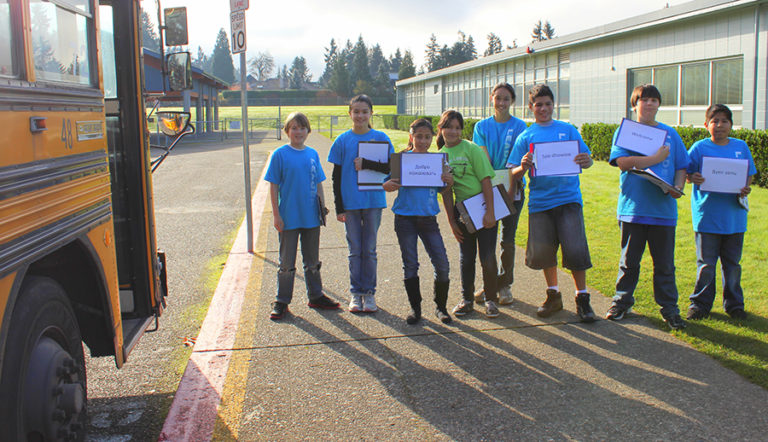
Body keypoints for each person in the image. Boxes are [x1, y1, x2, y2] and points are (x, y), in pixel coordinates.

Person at [506, 84, 597, 323]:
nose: (543, 109)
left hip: (568, 199)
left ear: (553, 105)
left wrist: (585, 160)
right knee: (546, 254)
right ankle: (553, 295)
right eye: (538, 105)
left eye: (547, 104)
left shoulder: (567, 130)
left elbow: (587, 161)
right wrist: (522, 167)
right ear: (531, 107)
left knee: (576, 249)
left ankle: (583, 298)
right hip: (540, 203)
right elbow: (511, 173)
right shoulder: (526, 137)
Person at [606, 84, 690, 330]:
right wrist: (655, 159)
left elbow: (681, 165)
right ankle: (621, 302)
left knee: (664, 264)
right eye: (644, 99)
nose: (650, 104)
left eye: (655, 100)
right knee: (629, 262)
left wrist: (677, 187)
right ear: (635, 105)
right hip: (633, 208)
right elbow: (622, 162)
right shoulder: (626, 132)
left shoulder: (670, 134)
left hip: (663, 211)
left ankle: (669, 309)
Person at [265, 112, 340, 320]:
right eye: (294, 128)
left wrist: (322, 208)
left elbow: (318, 183)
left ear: (308, 130)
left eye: (302, 128)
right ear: (287, 131)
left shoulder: (312, 154)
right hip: (288, 217)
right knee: (286, 263)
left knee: (312, 260)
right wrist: (276, 215)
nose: (298, 132)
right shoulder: (280, 154)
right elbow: (273, 186)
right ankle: (282, 300)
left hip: (310, 217)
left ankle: (315, 295)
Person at [685, 104, 756, 320]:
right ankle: (700, 305)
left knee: (732, 265)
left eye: (724, 121)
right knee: (706, 264)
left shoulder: (741, 147)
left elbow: (749, 174)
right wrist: (693, 177)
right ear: (707, 125)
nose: (719, 125)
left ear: (731, 125)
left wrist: (745, 186)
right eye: (714, 121)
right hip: (707, 216)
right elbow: (686, 173)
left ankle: (734, 305)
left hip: (734, 217)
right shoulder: (699, 148)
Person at [381, 118, 454, 324]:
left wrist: (449, 182)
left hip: (428, 218)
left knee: (442, 264)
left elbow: (442, 188)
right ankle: (416, 308)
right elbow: (385, 181)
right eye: (418, 136)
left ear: (432, 138)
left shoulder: (438, 160)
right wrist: (387, 185)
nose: (422, 141)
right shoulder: (402, 159)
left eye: (427, 137)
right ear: (411, 137)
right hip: (405, 218)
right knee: (410, 264)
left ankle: (441, 307)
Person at [328, 95, 394, 313]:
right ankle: (356, 293)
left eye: (364, 111)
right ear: (350, 114)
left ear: (371, 113)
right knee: (355, 249)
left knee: (370, 249)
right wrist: (339, 207)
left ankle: (370, 293)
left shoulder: (381, 137)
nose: (360, 115)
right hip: (351, 203)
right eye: (356, 111)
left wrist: (366, 163)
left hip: (374, 200)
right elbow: (336, 178)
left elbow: (390, 168)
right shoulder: (342, 141)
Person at [438, 110, 501, 318]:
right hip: (462, 212)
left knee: (487, 256)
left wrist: (490, 213)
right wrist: (452, 222)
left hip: (483, 207)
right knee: (467, 258)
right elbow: (446, 193)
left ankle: (491, 299)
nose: (453, 131)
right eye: (449, 127)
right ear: (441, 128)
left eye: (457, 127)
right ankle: (467, 299)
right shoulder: (440, 156)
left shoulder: (471, 148)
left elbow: (485, 180)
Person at [472, 82, 528, 306]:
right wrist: (493, 187)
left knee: (508, 240)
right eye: (498, 98)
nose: (502, 103)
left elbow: (520, 159)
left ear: (512, 101)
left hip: (514, 189)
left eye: (506, 99)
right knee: (488, 241)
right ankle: (489, 285)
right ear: (491, 99)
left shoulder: (521, 126)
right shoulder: (481, 127)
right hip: (488, 190)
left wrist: (511, 182)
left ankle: (504, 285)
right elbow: (483, 161)